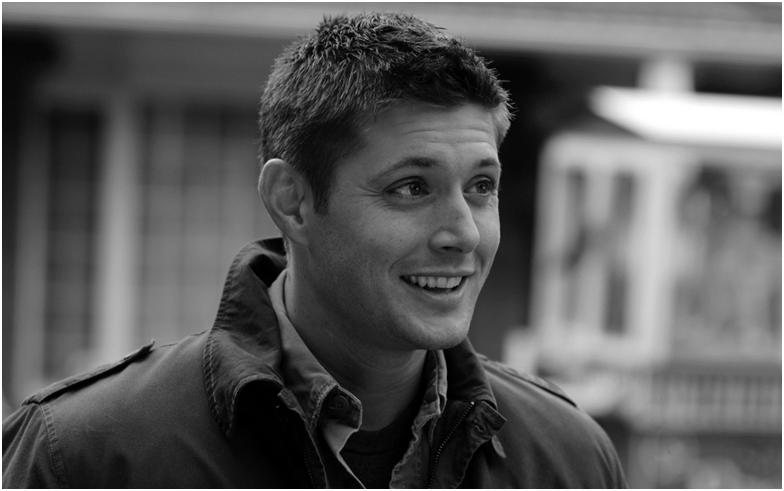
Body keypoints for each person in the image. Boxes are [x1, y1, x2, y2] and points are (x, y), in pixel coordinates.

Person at [3, 12, 627, 488]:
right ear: (293, 202)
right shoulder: (85, 453)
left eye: (481, 187)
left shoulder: (568, 459)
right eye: (412, 187)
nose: (463, 232)